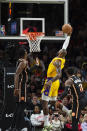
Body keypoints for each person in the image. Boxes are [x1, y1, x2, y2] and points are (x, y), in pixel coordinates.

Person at [41, 30, 72, 130]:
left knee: (44, 102)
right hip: (55, 83)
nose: (60, 50)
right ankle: (68, 111)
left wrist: (50, 81)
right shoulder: (61, 58)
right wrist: (69, 36)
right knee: (54, 103)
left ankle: (46, 124)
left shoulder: (57, 61)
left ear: (60, 53)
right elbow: (65, 46)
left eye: (61, 50)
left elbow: (59, 75)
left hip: (51, 81)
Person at [59, 67, 87, 131]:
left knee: (74, 120)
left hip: (78, 101)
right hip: (84, 98)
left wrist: (59, 98)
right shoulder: (78, 78)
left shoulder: (69, 81)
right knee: (75, 116)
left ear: (67, 73)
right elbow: (76, 90)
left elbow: (65, 92)